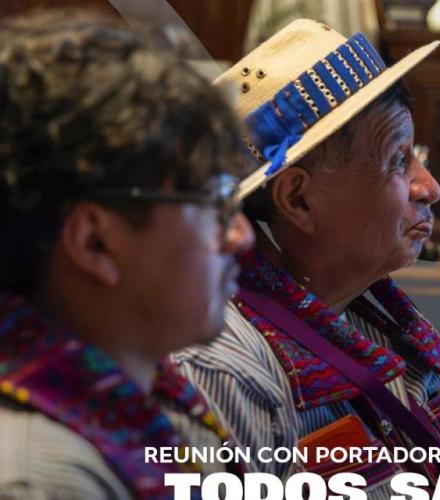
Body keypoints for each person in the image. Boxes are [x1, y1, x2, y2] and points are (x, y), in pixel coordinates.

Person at [172, 18, 440, 492]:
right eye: (398, 160)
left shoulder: (371, 315)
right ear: (298, 200)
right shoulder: (225, 373)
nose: (430, 187)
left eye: (416, 154)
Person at [0, 10, 254, 499]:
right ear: (95, 242)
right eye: (216, 201)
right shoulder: (41, 481)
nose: (241, 236)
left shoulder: (147, 402)